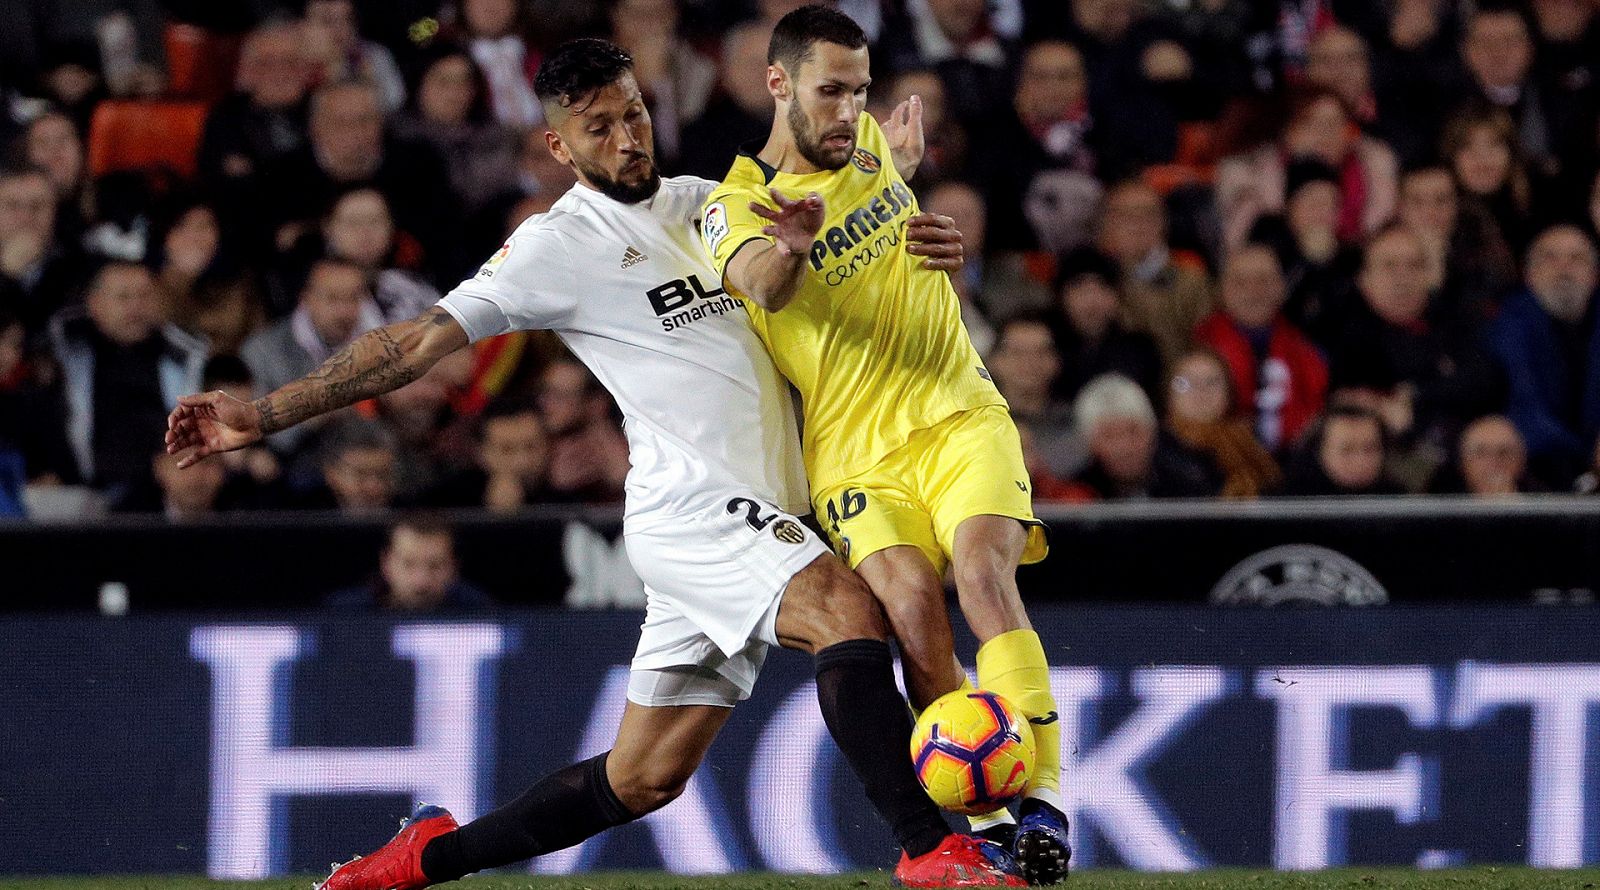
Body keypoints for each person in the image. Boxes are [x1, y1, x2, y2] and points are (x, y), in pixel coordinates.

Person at [166, 36, 1018, 890]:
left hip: (769, 517)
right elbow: (417, 341)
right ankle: (930, 851)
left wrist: (897, 193)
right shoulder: (558, 244)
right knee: (847, 613)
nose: (626, 138)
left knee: (642, 778)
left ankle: (424, 857)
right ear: (559, 147)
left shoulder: (715, 204)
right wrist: (265, 413)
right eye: (600, 127)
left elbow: (838, 265)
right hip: (695, 512)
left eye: (634, 114)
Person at [703, 8, 1068, 882]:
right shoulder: (734, 203)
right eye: (830, 91)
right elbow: (761, 280)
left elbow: (899, 229)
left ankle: (1045, 804)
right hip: (856, 453)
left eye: (859, 90)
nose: (847, 109)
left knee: (981, 570)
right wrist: (791, 248)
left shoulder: (870, 145)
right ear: (778, 82)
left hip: (954, 409)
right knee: (912, 612)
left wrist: (942, 238)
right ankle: (988, 824)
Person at [50, 261, 208, 507]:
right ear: (95, 304)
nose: (136, 307)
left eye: (144, 296)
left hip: (161, 492)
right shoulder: (64, 348)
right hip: (79, 487)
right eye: (123, 297)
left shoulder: (185, 354)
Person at [1485, 223, 1600, 487]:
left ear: (1594, 275)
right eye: (1550, 258)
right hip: (1538, 464)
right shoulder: (1510, 323)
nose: (1564, 270)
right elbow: (1523, 402)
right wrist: (1584, 456)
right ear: (1529, 274)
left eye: (1576, 259)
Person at [1193, 243, 1329, 454]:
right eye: (1240, 282)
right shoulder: (1197, 348)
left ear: (1282, 288)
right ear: (1222, 289)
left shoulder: (1310, 354)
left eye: (1264, 281)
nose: (1253, 291)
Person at [1063, 373, 1220, 501]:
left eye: (1133, 431)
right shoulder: (1075, 499)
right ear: (1090, 443)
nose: (1124, 446)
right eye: (1109, 436)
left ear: (1152, 432)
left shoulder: (1188, 487)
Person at [1165, 348, 1281, 499]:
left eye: (1212, 382)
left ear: (1229, 392)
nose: (1201, 391)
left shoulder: (1249, 445)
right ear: (1168, 394)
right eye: (1185, 383)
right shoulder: (1158, 447)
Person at [326, 515, 495, 612]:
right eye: (408, 564)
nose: (421, 581)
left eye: (435, 566)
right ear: (386, 564)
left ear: (454, 567)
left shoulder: (478, 610)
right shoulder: (345, 613)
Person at [422, 398, 551, 511]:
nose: (522, 461)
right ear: (481, 453)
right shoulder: (447, 500)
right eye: (507, 450)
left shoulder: (562, 489)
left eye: (532, 447)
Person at [1277, 404, 1402, 496]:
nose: (1360, 461)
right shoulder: (1284, 506)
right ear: (1319, 451)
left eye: (1369, 449)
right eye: (1347, 450)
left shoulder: (1401, 504)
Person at [1428, 414, 1534, 497]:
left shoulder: (1544, 502)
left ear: (1521, 461)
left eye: (1503, 452)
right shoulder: (1440, 501)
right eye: (1481, 453)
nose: (1493, 462)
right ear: (1463, 462)